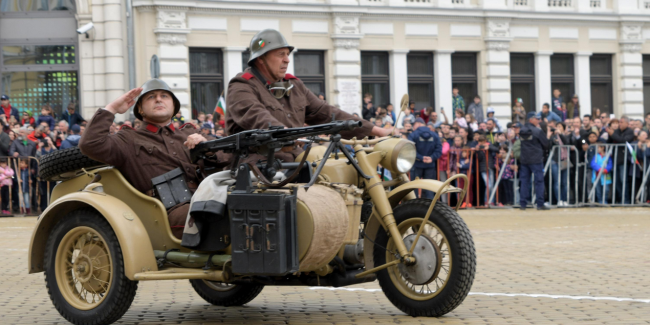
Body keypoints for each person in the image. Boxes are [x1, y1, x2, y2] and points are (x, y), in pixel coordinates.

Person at [79, 79, 221, 239]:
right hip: (165, 212)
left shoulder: (190, 133)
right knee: (217, 215)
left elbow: (227, 159)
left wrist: (208, 148)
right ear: (140, 108)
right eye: (151, 97)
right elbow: (90, 144)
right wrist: (111, 109)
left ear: (174, 106)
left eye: (164, 96)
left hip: (207, 197)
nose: (159, 99)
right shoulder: (129, 139)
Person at [226, 29, 390, 164]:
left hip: (296, 162)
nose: (287, 60)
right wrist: (286, 135)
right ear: (261, 59)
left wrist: (377, 131)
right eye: (280, 54)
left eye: (287, 54)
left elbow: (324, 112)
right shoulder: (242, 86)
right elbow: (257, 116)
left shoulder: (294, 85)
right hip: (257, 167)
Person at [519, 112, 550, 210]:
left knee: (524, 181)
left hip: (524, 159)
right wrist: (548, 135)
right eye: (537, 119)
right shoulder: (537, 131)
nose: (539, 120)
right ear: (531, 119)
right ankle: (540, 204)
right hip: (536, 159)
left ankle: (523, 204)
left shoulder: (521, 130)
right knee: (539, 181)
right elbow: (546, 144)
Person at [407, 118, 442, 199]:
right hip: (430, 165)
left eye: (414, 124)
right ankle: (430, 208)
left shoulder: (413, 135)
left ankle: (414, 207)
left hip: (416, 165)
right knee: (429, 188)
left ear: (418, 124)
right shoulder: (434, 135)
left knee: (414, 187)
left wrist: (421, 157)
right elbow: (439, 149)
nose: (413, 127)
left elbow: (410, 149)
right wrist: (432, 158)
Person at [607, 116, 635, 204]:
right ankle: (620, 198)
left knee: (624, 180)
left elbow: (623, 141)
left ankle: (626, 199)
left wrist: (613, 134)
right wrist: (610, 134)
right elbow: (609, 142)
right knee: (616, 181)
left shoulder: (630, 132)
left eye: (621, 122)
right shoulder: (617, 131)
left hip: (624, 160)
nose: (619, 124)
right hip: (615, 159)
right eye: (619, 122)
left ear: (627, 123)